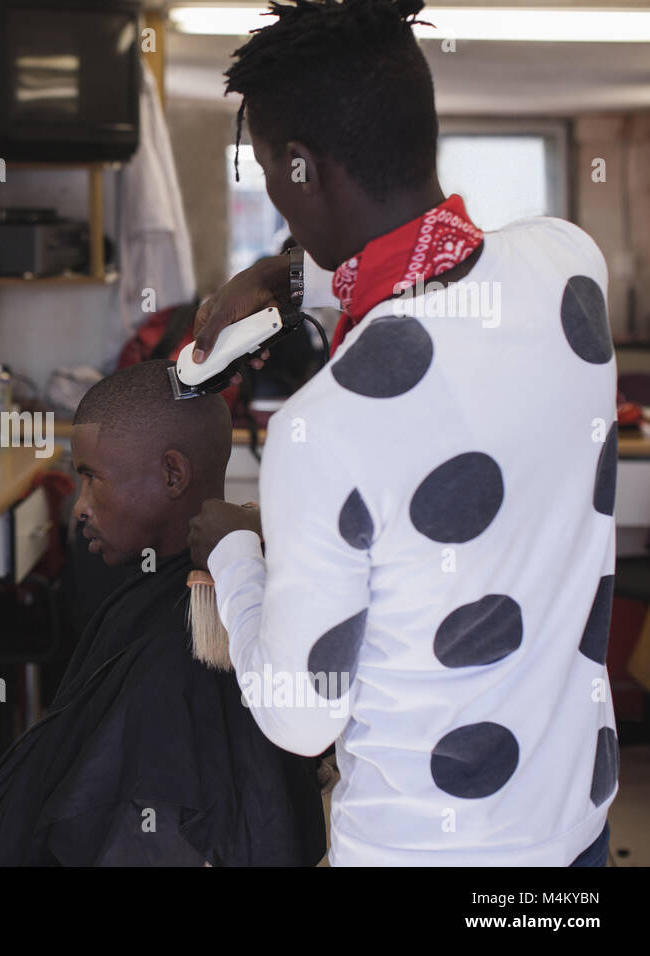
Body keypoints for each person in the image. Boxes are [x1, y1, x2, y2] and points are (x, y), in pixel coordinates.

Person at [188, 0, 617, 866]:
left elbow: (301, 716)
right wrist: (288, 275)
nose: (269, 188)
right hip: (574, 822)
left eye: (269, 168)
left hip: (421, 848)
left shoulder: (325, 429)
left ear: (301, 168)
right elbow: (450, 271)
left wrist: (232, 550)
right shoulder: (573, 268)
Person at [0, 360, 326, 866]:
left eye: (92, 479)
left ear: (173, 473)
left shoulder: (171, 663)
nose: (80, 506)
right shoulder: (167, 603)